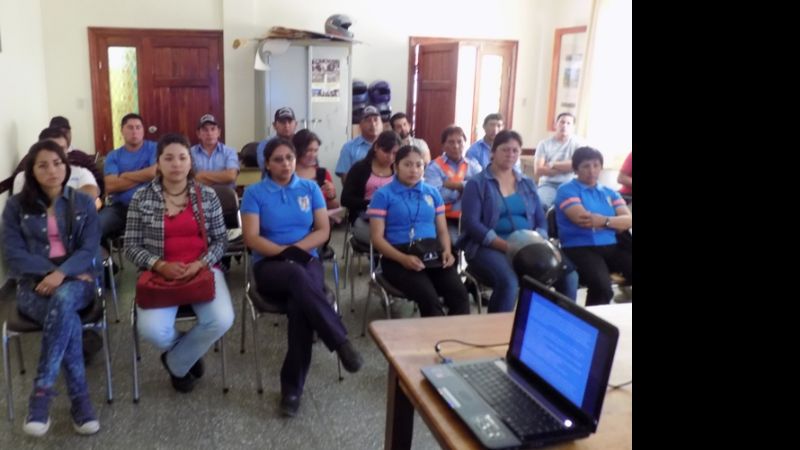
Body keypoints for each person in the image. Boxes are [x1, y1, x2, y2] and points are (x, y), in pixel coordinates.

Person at [241, 138, 363, 417]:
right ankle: (340, 341)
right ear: (267, 164)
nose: (285, 164)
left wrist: (297, 250)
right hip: (269, 263)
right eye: (278, 159)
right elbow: (252, 238)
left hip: (306, 258)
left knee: (300, 307)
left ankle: (291, 390)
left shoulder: (309, 188)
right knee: (297, 275)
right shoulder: (254, 193)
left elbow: (322, 231)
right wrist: (285, 252)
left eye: (289, 158)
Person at [2, 140, 102, 436]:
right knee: (66, 317)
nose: (52, 170)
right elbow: (13, 253)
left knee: (64, 298)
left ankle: (41, 396)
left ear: (66, 165)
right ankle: (80, 403)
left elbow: (89, 248)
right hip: (33, 288)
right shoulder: (15, 207)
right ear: (31, 171)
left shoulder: (82, 202)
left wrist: (62, 274)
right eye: (42, 165)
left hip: (78, 283)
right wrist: (50, 272)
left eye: (57, 163)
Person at [124, 133, 234, 393]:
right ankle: (187, 352)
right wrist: (159, 264)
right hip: (159, 274)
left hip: (202, 271)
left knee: (221, 320)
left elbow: (222, 241)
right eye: (169, 158)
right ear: (158, 163)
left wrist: (200, 263)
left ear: (190, 161)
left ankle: (176, 361)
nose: (176, 164)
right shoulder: (141, 198)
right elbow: (130, 245)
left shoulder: (206, 195)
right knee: (152, 331)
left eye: (182, 157)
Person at [458, 130, 579, 312]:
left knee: (568, 275)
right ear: (493, 152)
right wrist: (504, 245)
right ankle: (496, 334)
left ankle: (557, 326)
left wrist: (541, 241)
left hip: (529, 244)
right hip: (488, 246)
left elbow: (540, 218)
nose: (510, 154)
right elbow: (471, 224)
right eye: (505, 149)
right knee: (509, 282)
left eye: (515, 150)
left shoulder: (527, 183)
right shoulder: (477, 184)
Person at [368, 145, 470, 317]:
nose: (413, 170)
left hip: (431, 253)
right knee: (429, 299)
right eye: (407, 165)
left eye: (419, 165)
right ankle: (434, 342)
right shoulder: (383, 195)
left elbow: (442, 231)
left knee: (460, 295)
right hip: (397, 257)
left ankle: (454, 340)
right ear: (396, 167)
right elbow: (377, 239)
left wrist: (446, 251)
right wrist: (403, 259)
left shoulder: (432, 193)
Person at [554, 146, 632, 306]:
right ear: (576, 169)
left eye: (596, 165)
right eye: (586, 166)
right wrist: (615, 222)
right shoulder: (566, 190)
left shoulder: (609, 192)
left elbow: (628, 220)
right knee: (603, 288)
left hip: (612, 246)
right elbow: (583, 220)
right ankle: (593, 325)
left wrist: (604, 221)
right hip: (579, 247)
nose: (592, 170)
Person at [100, 113, 157, 241]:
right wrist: (144, 174)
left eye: (138, 127)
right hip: (119, 208)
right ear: (122, 130)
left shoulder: (154, 148)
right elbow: (111, 185)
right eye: (130, 127)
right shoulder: (113, 155)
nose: (135, 131)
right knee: (94, 228)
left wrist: (125, 175)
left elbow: (155, 173)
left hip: (150, 206)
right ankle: (106, 260)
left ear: (143, 130)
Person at [424, 125, 482, 245]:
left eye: (459, 142)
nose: (456, 146)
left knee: (481, 244)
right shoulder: (434, 167)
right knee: (454, 244)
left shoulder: (473, 165)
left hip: (472, 218)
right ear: (443, 145)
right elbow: (437, 197)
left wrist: (455, 185)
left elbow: (482, 189)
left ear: (465, 143)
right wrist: (468, 188)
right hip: (445, 219)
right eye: (451, 142)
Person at [13, 127, 100, 206]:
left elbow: (91, 194)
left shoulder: (81, 173)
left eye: (62, 149)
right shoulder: (22, 177)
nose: (58, 153)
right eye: (52, 148)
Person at [340, 130, 400, 244]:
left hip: (391, 218)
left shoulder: (398, 170)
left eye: (395, 153)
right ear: (376, 147)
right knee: (383, 238)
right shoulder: (360, 168)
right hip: (363, 216)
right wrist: (372, 203)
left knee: (403, 236)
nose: (390, 157)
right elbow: (345, 199)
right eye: (386, 152)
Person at [533, 112, 584, 210]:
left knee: (574, 207)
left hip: (570, 184)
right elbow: (538, 170)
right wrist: (566, 168)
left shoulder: (579, 144)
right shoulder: (544, 144)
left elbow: (577, 165)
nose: (564, 125)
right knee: (542, 205)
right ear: (556, 124)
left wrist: (552, 164)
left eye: (568, 123)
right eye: (562, 122)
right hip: (547, 184)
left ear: (573, 126)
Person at [292, 129, 339, 210]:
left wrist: (331, 196)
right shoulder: (287, 174)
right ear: (297, 150)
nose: (313, 155)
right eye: (308, 150)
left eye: (316, 150)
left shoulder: (322, 173)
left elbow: (332, 205)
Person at [335, 105, 382, 184]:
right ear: (360, 125)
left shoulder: (389, 146)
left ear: (382, 124)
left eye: (376, 120)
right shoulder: (349, 147)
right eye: (368, 120)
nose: (373, 124)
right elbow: (346, 180)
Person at [190, 114, 240, 188]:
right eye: (205, 130)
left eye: (213, 129)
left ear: (218, 132)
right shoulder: (190, 153)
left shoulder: (230, 152)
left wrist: (202, 175)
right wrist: (222, 177)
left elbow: (231, 176)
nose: (209, 133)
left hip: (224, 196)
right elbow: (191, 179)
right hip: (199, 197)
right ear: (198, 134)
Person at [257, 107, 298, 177]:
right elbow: (267, 168)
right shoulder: (265, 145)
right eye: (282, 122)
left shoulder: (302, 143)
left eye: (290, 122)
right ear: (274, 125)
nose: (286, 126)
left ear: (296, 124)